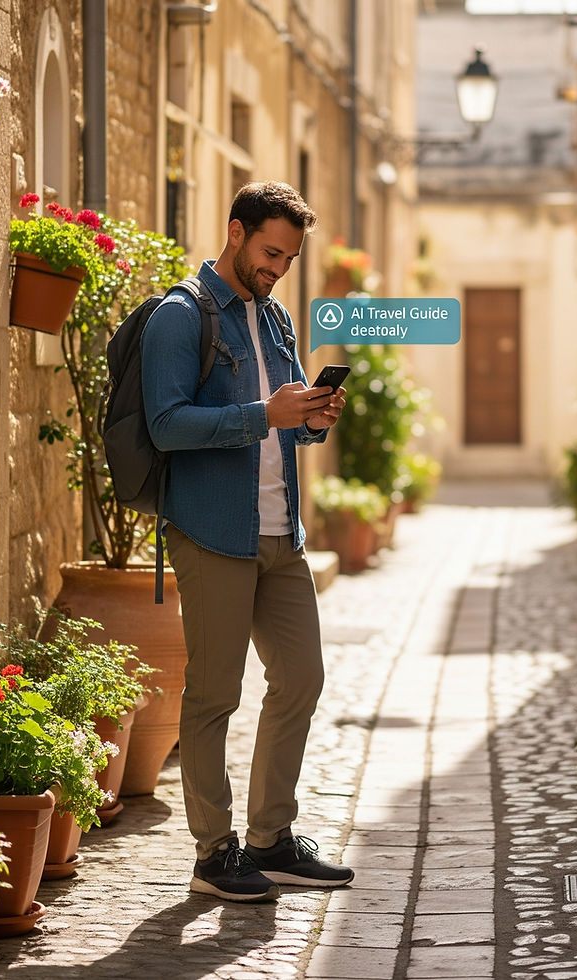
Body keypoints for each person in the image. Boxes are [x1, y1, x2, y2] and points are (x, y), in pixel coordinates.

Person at [141, 180, 352, 902]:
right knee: (213, 696)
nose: (276, 269)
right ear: (234, 232)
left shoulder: (278, 318)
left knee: (301, 677)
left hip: (280, 531)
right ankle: (214, 853)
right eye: (269, 253)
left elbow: (288, 417)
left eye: (288, 259)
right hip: (212, 531)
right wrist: (265, 412)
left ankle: (271, 838)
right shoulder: (180, 316)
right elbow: (166, 424)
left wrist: (314, 415)